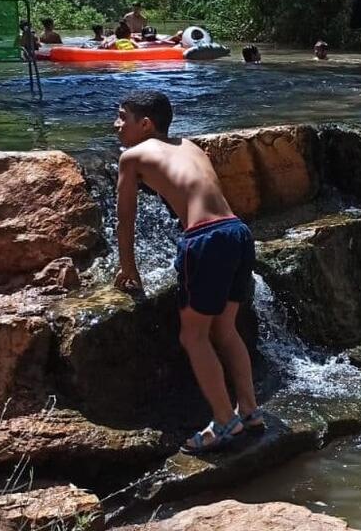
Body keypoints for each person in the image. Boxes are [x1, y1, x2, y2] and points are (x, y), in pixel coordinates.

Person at [113, 91, 264, 454]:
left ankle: (225, 421)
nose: (115, 125)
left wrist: (129, 268)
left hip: (206, 239)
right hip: (236, 232)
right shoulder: (189, 145)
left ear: (145, 123)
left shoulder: (131, 157)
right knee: (225, 329)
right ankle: (250, 410)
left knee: (193, 336)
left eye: (122, 117)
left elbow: (125, 219)